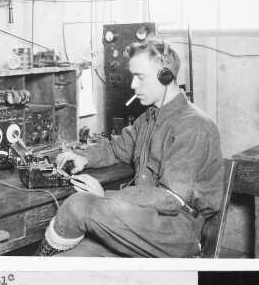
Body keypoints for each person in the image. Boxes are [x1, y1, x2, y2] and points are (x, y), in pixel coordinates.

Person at [36, 38, 224, 257]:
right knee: (66, 261)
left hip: (177, 231)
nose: (133, 85)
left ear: (165, 76)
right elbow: (118, 148)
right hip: (144, 220)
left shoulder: (194, 126)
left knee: (79, 205)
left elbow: (171, 198)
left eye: (140, 77)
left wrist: (105, 196)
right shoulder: (149, 119)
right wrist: (84, 157)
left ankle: (36, 262)